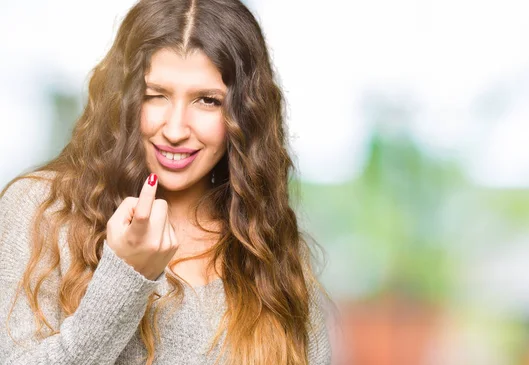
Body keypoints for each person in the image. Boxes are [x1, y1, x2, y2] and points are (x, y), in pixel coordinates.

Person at [0, 0, 342, 364]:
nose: (176, 130)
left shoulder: (266, 250)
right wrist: (125, 277)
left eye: (208, 101)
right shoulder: (43, 211)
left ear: (244, 115)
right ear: (123, 101)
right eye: (155, 96)